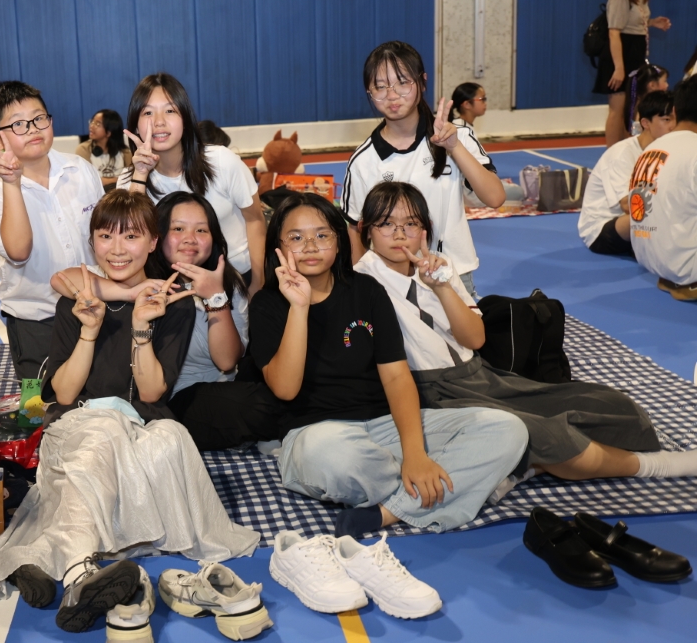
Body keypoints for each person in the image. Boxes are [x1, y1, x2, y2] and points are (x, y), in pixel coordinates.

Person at [0, 190, 259, 635]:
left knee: (172, 438)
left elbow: (152, 390)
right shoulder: (76, 299)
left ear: (152, 242)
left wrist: (142, 328)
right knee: (104, 430)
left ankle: (40, 555)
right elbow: (64, 393)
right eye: (105, 236)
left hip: (141, 423)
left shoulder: (173, 306)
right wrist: (88, 331)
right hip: (80, 424)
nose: (117, 248)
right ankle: (78, 575)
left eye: (131, 236)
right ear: (92, 243)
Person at [355, 182, 693, 490]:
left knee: (611, 405)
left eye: (410, 224)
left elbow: (475, 340)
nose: (399, 234)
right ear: (366, 230)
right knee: (545, 435)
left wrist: (442, 287)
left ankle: (526, 466)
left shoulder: (439, 266)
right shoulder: (361, 284)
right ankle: (656, 466)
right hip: (433, 392)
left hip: (480, 376)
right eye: (386, 224)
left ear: (425, 230)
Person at [248, 191, 528, 538]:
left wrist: (415, 454)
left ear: (338, 241)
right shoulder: (268, 304)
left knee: (506, 428)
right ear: (278, 246)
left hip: (385, 426)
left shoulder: (365, 290)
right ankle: (457, 482)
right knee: (334, 458)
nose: (310, 246)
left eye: (321, 235)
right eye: (296, 237)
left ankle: (388, 512)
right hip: (318, 433)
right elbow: (285, 389)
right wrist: (299, 307)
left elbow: (396, 377)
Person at [54, 191, 280, 450]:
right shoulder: (133, 276)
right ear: (158, 236)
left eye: (201, 230)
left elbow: (227, 362)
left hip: (191, 393)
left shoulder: (221, 284)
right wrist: (129, 293)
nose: (189, 239)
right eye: (178, 228)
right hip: (154, 400)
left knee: (258, 391)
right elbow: (65, 279)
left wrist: (216, 298)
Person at [342, 41, 504, 298]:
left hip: (453, 274)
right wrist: (362, 288)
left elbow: (495, 197)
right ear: (369, 92)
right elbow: (355, 230)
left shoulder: (459, 136)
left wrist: (454, 147)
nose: (392, 95)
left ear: (422, 82)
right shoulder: (364, 161)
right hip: (392, 281)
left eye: (402, 82)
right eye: (380, 87)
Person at [0, 80, 104, 381]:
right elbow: (18, 252)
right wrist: (12, 183)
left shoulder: (80, 170)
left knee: (100, 393)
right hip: (35, 321)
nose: (33, 129)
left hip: (96, 307)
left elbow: (106, 237)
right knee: (41, 404)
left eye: (39, 118)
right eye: (18, 124)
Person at [119, 73, 266, 296]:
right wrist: (140, 174)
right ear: (135, 126)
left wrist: (257, 282)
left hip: (236, 277)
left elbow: (255, 219)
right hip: (172, 289)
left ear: (186, 120)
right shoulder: (129, 181)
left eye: (170, 110)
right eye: (148, 112)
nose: (159, 121)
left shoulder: (222, 161)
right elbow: (131, 241)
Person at [579, 90, 675, 256]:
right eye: (666, 119)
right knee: (650, 215)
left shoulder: (668, 151)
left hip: (641, 222)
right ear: (645, 123)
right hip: (602, 229)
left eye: (675, 119)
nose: (673, 126)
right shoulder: (622, 154)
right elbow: (627, 205)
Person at [594, 0, 671, 147]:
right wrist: (619, 68)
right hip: (620, 56)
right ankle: (612, 155)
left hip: (635, 55)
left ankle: (626, 149)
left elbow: (631, 23)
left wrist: (652, 23)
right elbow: (614, 31)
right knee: (617, 110)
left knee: (630, 109)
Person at [630, 74, 697, 300]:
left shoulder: (650, 149)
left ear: (675, 111)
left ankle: (675, 278)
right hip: (686, 264)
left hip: (651, 259)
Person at [74, 109, 131, 191]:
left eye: (97, 124)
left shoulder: (125, 153)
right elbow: (88, 180)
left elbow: (130, 178)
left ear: (108, 132)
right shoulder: (83, 149)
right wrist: (118, 180)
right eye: (92, 122)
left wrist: (104, 181)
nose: (91, 126)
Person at [625, 63, 669, 136]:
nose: (667, 85)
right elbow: (637, 136)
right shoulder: (642, 110)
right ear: (652, 85)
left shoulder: (646, 106)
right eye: (665, 81)